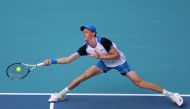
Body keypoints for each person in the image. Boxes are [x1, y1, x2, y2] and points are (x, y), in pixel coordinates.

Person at [43, 24, 183, 106]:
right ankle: (61, 94)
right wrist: (52, 61)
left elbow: (116, 55)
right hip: (105, 63)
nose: (84, 34)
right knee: (83, 76)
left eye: (86, 32)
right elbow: (68, 59)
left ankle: (171, 94)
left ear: (93, 33)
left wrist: (100, 56)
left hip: (120, 62)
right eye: (83, 33)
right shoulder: (85, 48)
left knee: (139, 83)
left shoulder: (104, 41)